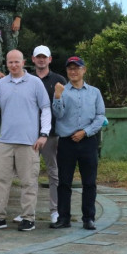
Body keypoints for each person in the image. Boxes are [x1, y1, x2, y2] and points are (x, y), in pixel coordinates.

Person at [0, 50, 51, 232]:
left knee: (29, 181)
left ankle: (28, 218)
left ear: (23, 62)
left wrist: (43, 134)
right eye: (10, 62)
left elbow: (45, 108)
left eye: (17, 62)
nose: (14, 65)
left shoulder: (35, 83)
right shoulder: (1, 84)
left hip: (28, 142)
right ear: (6, 64)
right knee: (0, 180)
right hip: (5, 140)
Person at [51, 56, 106, 230]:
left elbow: (100, 116)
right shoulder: (62, 90)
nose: (73, 72)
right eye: (70, 69)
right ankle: (64, 218)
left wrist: (85, 132)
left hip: (88, 141)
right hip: (67, 142)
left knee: (89, 182)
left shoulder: (94, 92)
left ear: (84, 70)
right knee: (64, 182)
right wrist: (57, 97)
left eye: (77, 68)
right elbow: (58, 115)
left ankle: (88, 218)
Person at [32, 45, 68, 225]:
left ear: (49, 59)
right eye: (38, 57)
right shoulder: (27, 79)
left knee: (53, 173)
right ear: (33, 59)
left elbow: (65, 108)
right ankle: (28, 210)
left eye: (44, 57)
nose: (41, 60)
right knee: (28, 174)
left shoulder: (59, 80)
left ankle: (55, 210)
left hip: (52, 134)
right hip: (29, 135)